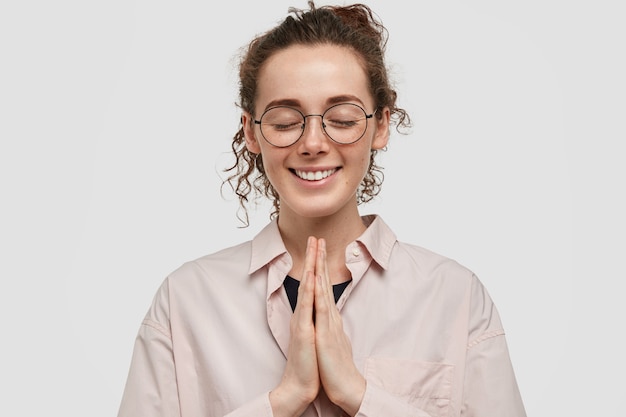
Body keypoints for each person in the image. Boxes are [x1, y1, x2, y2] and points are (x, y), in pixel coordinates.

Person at [117, 2, 527, 416]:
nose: (313, 143)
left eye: (344, 119)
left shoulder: (453, 297)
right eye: (284, 121)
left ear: (380, 125)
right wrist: (283, 400)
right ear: (252, 132)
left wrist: (359, 395)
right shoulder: (186, 301)